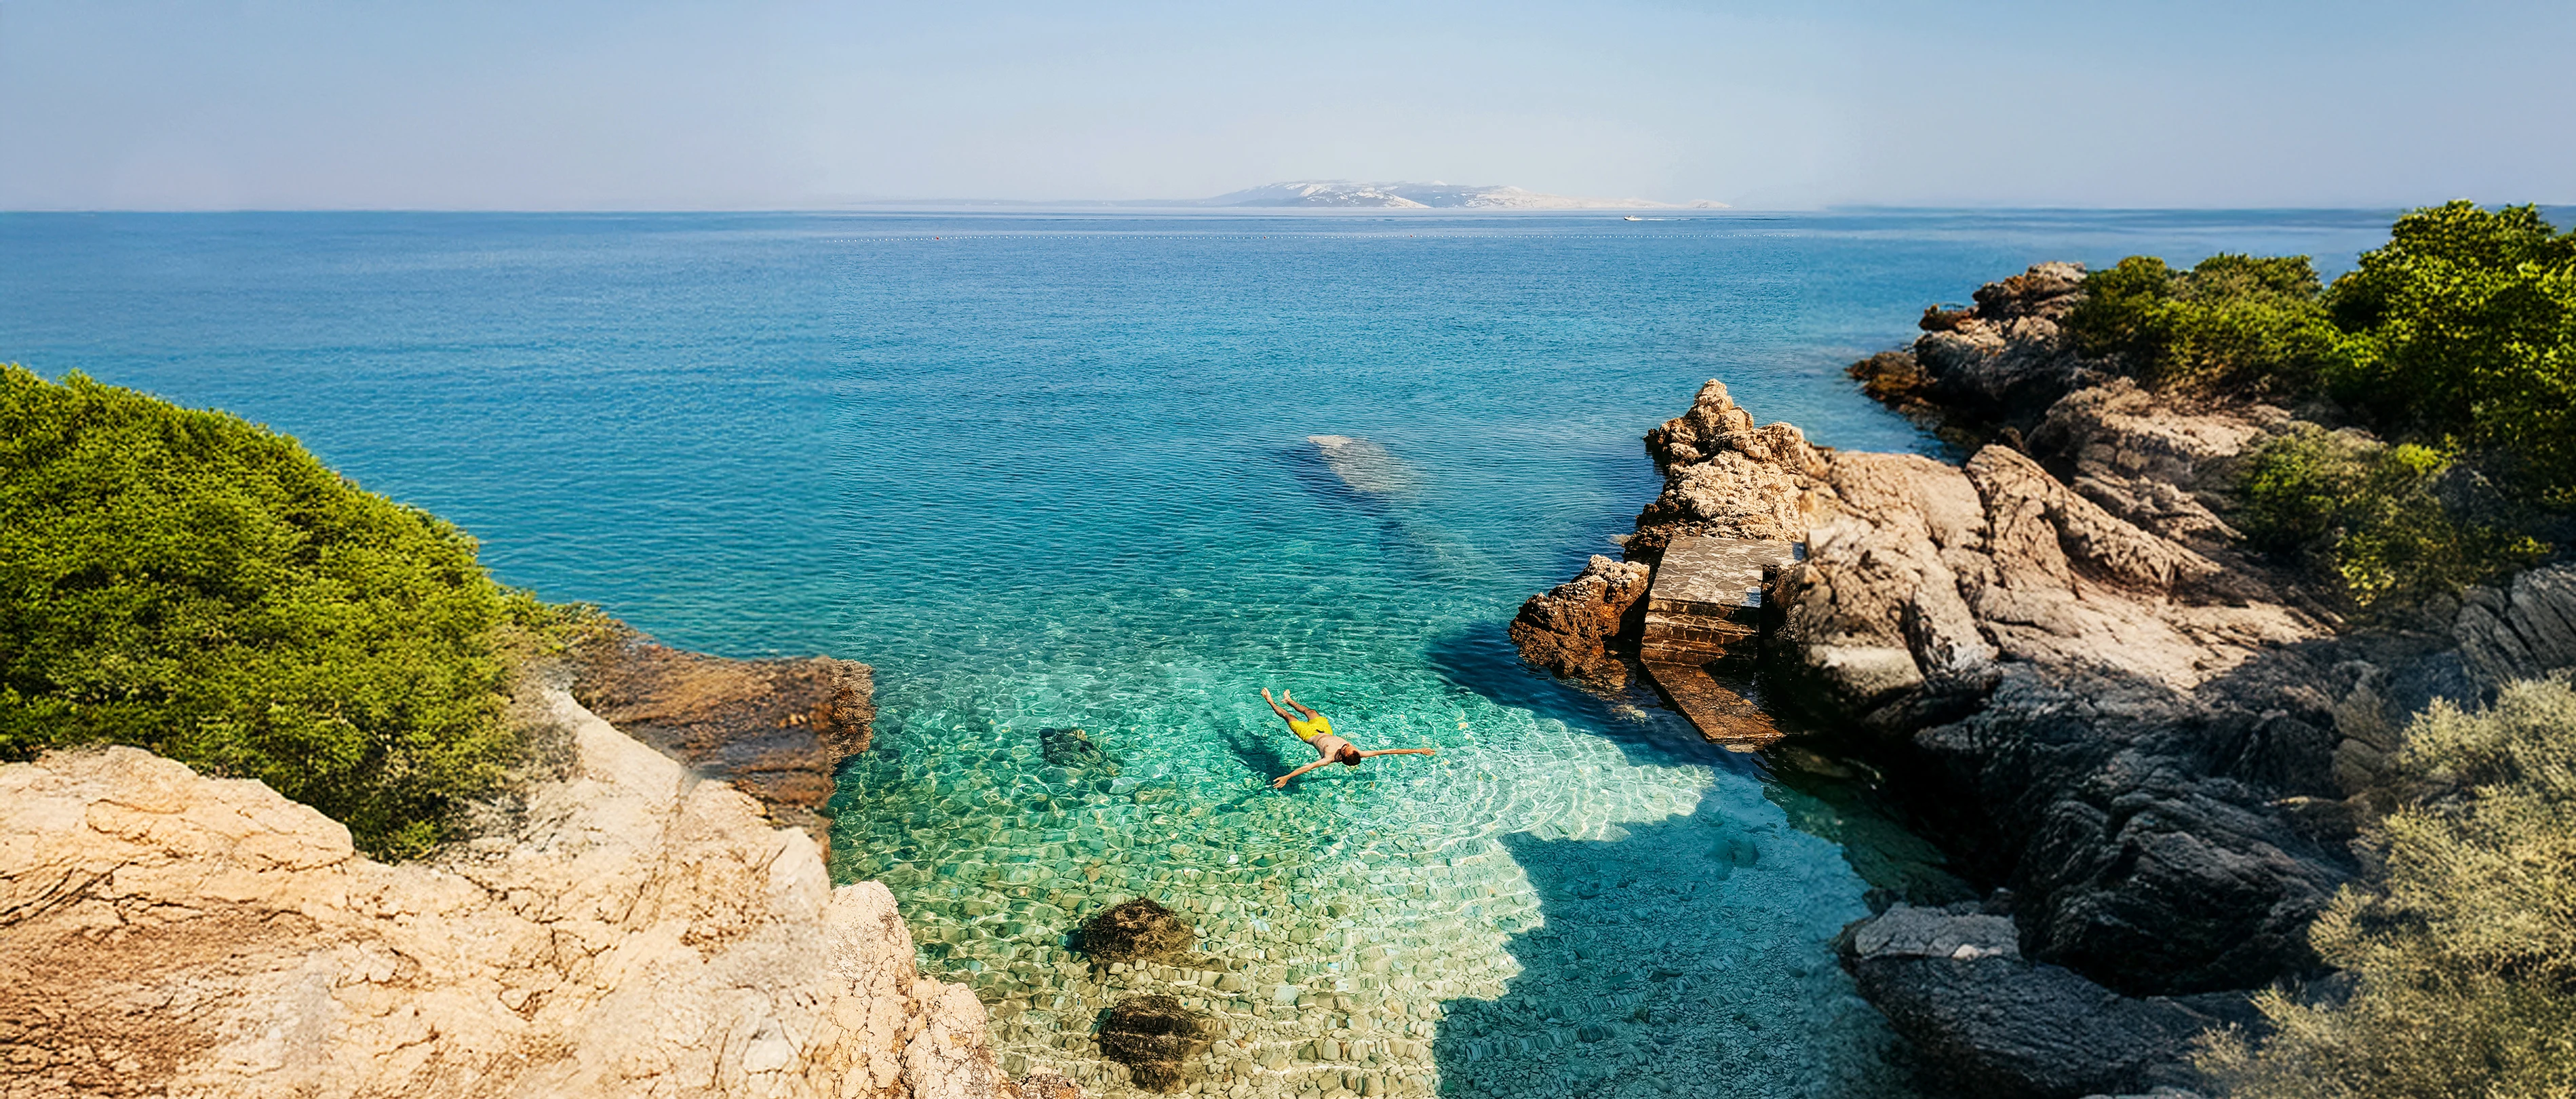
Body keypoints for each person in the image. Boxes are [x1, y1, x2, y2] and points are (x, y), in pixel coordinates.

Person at [1260, 687, 1435, 788]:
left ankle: (1271, 701)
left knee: (1289, 717)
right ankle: (1288, 700)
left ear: (1342, 755)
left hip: (1308, 734)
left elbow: (1308, 767)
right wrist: (1418, 750)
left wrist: (1287, 777)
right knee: (1310, 711)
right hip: (1324, 729)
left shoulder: (1328, 758)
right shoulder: (1358, 753)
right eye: (1350, 745)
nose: (1348, 744)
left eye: (1346, 747)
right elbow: (1389, 751)